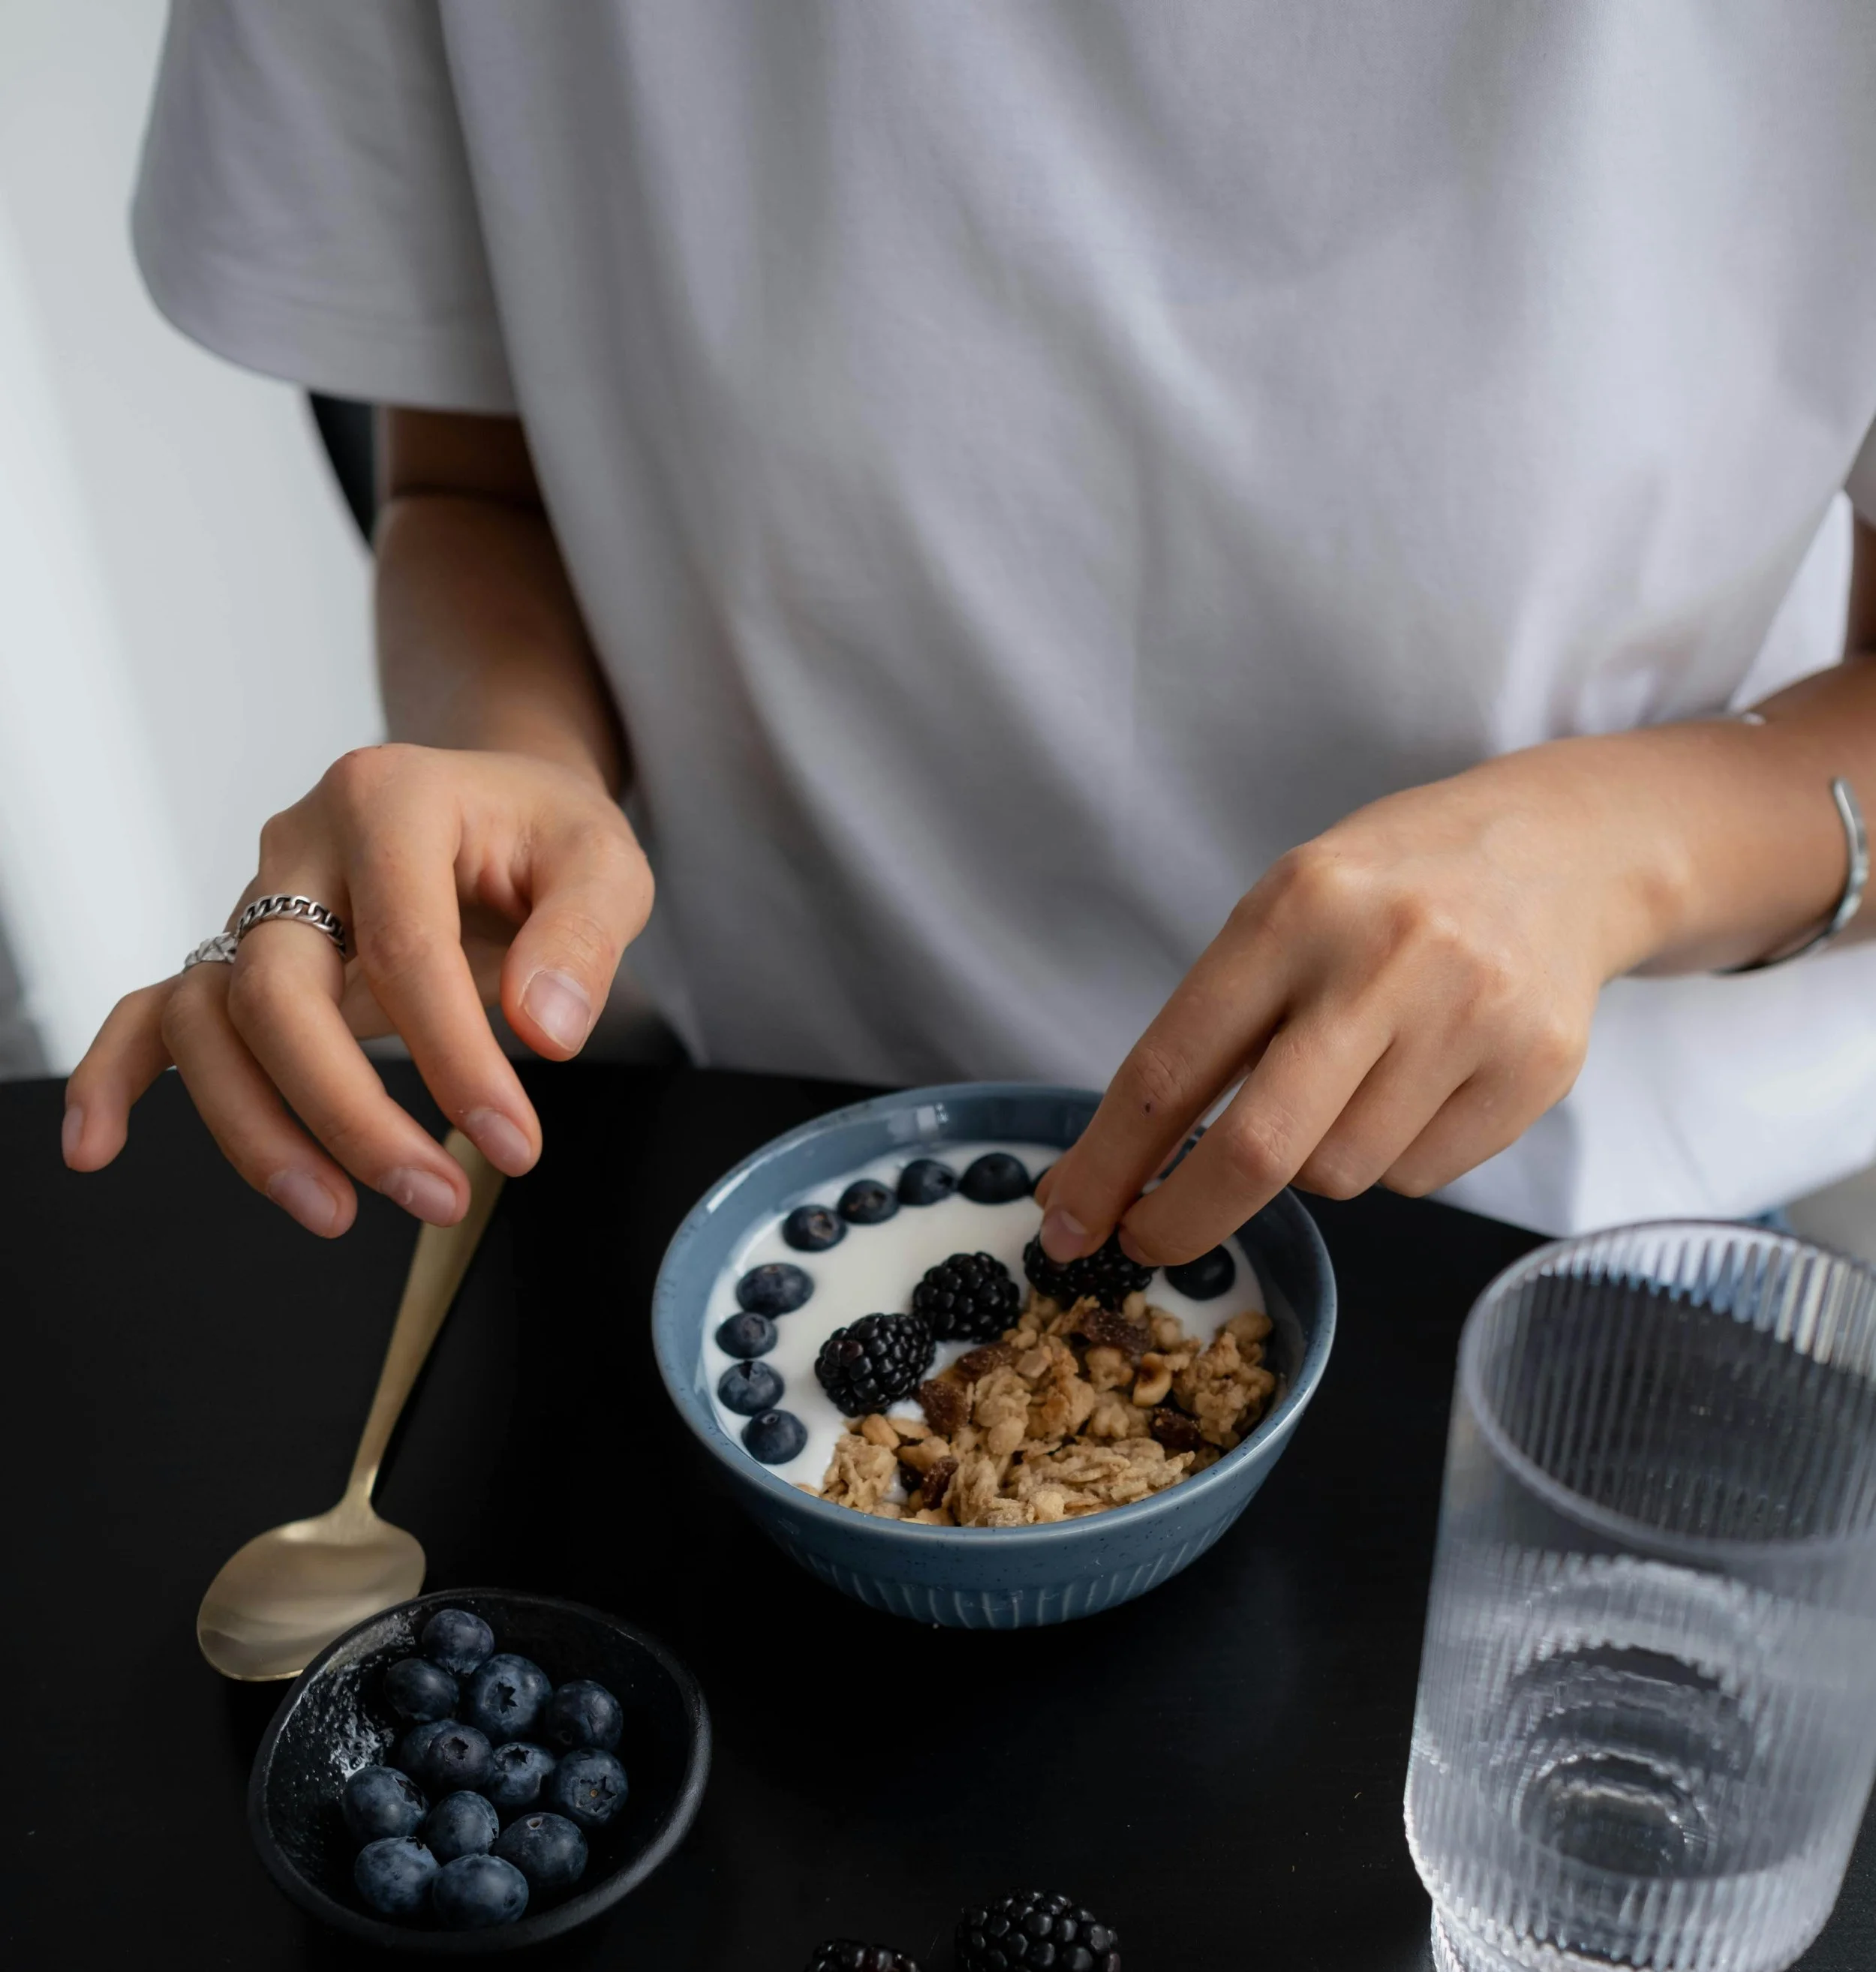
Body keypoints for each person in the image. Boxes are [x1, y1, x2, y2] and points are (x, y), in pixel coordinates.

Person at [65, 2, 1876, 1270]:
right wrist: (515, 787)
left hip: (1566, 1250)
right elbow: (475, 486)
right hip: (740, 1139)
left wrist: (1615, 855)